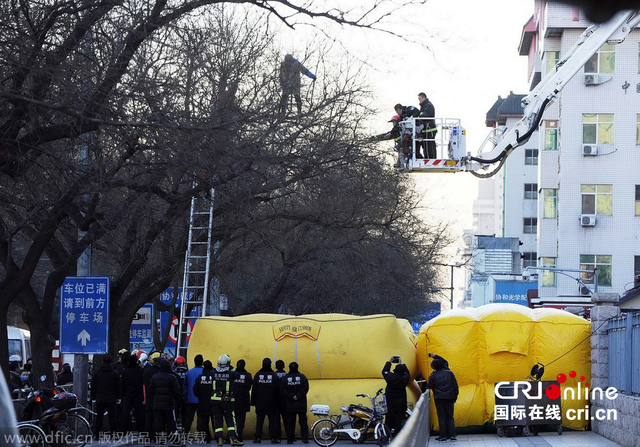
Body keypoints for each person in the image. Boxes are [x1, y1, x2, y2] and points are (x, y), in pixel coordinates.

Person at [210, 354, 243, 446]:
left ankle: (220, 439)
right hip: (227, 399)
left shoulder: (213, 372)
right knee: (230, 419)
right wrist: (231, 366)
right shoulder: (231, 374)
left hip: (215, 399)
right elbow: (236, 374)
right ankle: (233, 439)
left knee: (218, 419)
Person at [426, 353, 458, 442]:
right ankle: (452, 435)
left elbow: (429, 386)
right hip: (450, 397)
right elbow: (455, 386)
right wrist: (455, 397)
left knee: (441, 417)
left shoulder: (433, 376)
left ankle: (443, 436)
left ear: (434, 367)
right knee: (450, 417)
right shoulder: (449, 373)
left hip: (439, 398)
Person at [149, 359, 182, 442]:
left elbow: (151, 390)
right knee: (171, 422)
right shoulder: (172, 377)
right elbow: (176, 391)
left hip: (157, 404)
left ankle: (160, 439)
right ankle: (174, 439)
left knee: (159, 422)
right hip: (169, 404)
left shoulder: (155, 377)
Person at [91, 355, 121, 437]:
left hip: (100, 397)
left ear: (102, 362)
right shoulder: (114, 373)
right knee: (112, 417)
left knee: (99, 417)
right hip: (111, 398)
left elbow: (93, 385)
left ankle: (98, 434)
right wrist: (118, 397)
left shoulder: (97, 373)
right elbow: (118, 386)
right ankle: (114, 434)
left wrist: (93, 397)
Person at [251, 358, 280, 444]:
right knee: (272, 421)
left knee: (259, 421)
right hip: (272, 403)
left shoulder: (257, 375)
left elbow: (254, 390)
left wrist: (253, 402)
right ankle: (274, 438)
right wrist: (278, 402)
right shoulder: (274, 376)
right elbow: (277, 390)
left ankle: (258, 438)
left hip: (260, 403)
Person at [280, 362, 309, 445]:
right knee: (303, 421)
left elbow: (283, 389)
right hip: (301, 403)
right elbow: (305, 388)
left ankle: (290, 439)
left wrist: (292, 396)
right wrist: (298, 396)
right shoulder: (303, 377)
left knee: (290, 422)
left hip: (289, 404)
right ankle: (305, 438)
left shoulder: (285, 378)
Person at [382, 356, 411, 438]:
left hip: (390, 402)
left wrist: (389, 362)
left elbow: (384, 371)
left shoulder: (390, 377)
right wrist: (402, 364)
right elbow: (408, 373)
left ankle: (386, 435)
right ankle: (396, 436)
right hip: (401, 403)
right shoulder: (405, 378)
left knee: (389, 419)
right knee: (398, 421)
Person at [120, 353, 145, 433]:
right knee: (139, 412)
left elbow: (122, 383)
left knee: (126, 412)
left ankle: (124, 429)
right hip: (138, 393)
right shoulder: (141, 371)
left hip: (127, 394)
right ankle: (140, 428)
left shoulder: (125, 371)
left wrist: (122, 393)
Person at [193, 360, 215, 443]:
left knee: (203, 421)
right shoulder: (214, 377)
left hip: (202, 402)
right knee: (216, 421)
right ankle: (218, 437)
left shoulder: (200, 377)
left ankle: (206, 438)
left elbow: (195, 389)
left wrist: (200, 397)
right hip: (214, 402)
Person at [143, 352, 163, 440]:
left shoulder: (146, 371)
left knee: (148, 417)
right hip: (158, 398)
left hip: (149, 396)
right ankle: (156, 435)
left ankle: (147, 434)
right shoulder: (161, 373)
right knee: (158, 417)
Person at [183, 354, 204, 433]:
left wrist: (185, 397)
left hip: (190, 399)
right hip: (201, 400)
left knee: (189, 417)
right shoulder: (203, 372)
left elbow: (185, 386)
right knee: (200, 417)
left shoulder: (189, 372)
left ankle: (186, 432)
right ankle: (200, 433)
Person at [233, 359, 253, 443]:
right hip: (243, 400)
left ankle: (232, 436)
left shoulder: (232, 374)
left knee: (232, 420)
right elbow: (249, 387)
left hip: (232, 400)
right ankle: (239, 436)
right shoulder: (248, 375)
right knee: (241, 420)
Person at [418, 92, 437, 159]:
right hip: (426, 129)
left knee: (430, 145)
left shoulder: (429, 105)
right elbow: (420, 114)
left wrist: (417, 118)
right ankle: (427, 158)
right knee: (426, 146)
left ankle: (431, 159)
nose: (419, 100)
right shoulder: (424, 106)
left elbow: (423, 115)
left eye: (420, 99)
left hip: (430, 129)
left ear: (424, 97)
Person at [274, 360, 287, 443]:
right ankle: (290, 436)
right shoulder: (287, 376)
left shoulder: (273, 376)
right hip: (285, 401)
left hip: (275, 401)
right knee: (287, 419)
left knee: (276, 420)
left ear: (276, 367)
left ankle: (278, 437)